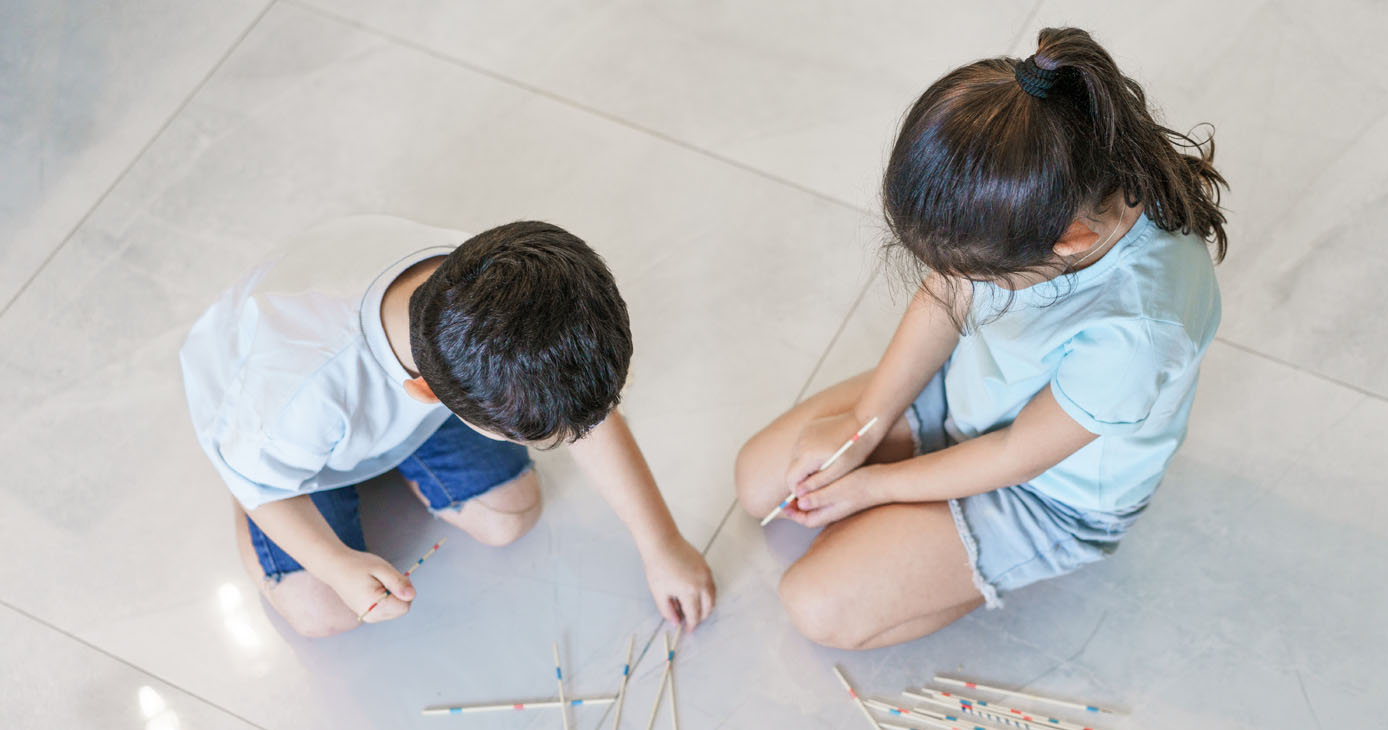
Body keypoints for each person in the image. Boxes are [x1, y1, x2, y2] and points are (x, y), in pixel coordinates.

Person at [735, 26, 1227, 650]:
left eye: (980, 273)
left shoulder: (1141, 332)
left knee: (816, 605)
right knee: (757, 480)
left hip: (1048, 493)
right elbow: (944, 295)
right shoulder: (1033, 182)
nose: (955, 281)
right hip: (969, 393)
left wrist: (871, 485)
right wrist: (862, 422)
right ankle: (916, 518)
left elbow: (1016, 452)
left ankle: (972, 559)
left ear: (1067, 242)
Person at [181, 215, 714, 638]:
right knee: (324, 613)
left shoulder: (495, 277)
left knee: (510, 517)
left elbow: (586, 412)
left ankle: (373, 453)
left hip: (374, 391)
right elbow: (266, 487)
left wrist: (661, 542)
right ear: (427, 393)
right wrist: (338, 565)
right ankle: (254, 469)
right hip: (269, 437)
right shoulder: (293, 400)